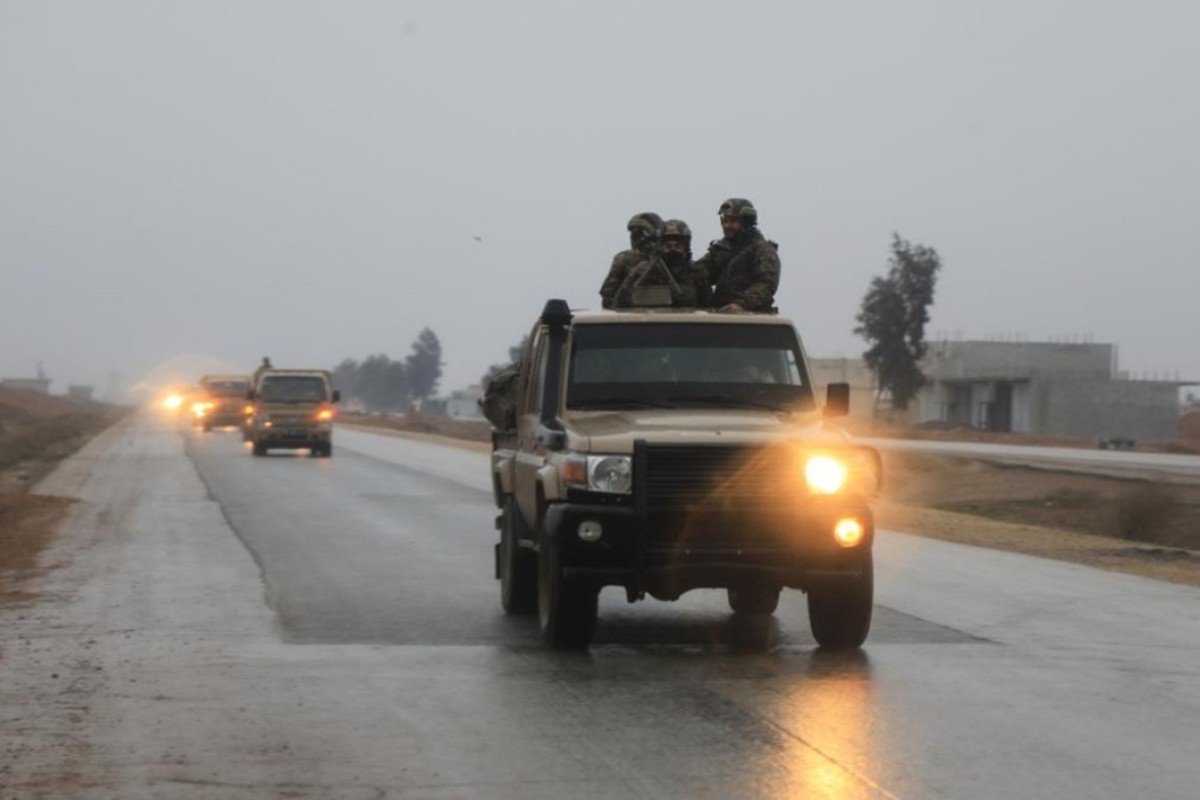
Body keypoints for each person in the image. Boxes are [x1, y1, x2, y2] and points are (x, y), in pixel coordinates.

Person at [695, 198, 780, 313]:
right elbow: (699, 272)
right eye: (725, 220)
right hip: (719, 315)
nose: (727, 225)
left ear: (747, 222)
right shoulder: (723, 249)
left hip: (751, 317)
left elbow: (766, 284)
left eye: (733, 221)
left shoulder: (762, 250)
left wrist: (742, 304)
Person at [613, 219, 710, 309]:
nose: (672, 250)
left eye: (677, 246)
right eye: (668, 246)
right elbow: (619, 305)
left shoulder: (697, 274)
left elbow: (708, 309)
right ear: (660, 247)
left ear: (686, 248)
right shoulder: (642, 272)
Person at [599, 212, 663, 309]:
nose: (637, 238)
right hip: (630, 313)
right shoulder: (624, 259)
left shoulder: (665, 260)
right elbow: (608, 295)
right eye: (634, 234)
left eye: (640, 233)